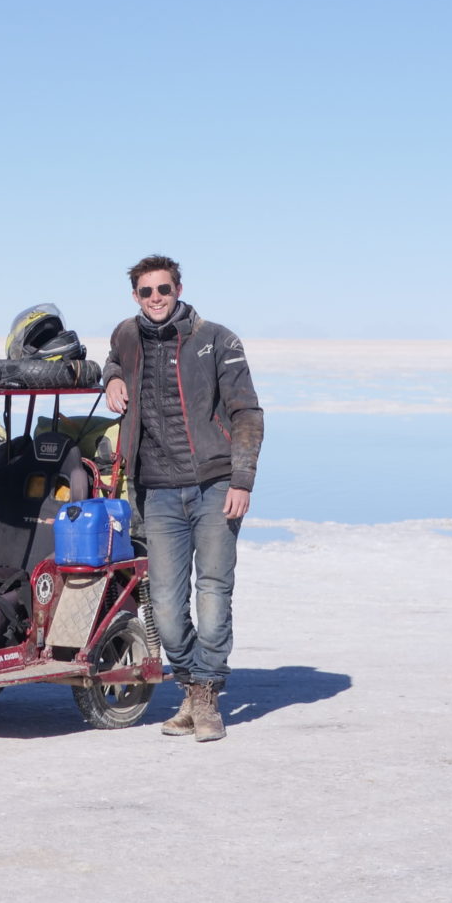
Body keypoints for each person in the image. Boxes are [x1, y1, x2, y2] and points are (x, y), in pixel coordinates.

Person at [103, 255, 263, 742]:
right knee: (168, 608)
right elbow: (113, 360)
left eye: (164, 289)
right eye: (147, 291)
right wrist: (110, 377)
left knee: (213, 593)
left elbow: (247, 413)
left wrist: (242, 479)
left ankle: (207, 694)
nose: (156, 299)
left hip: (214, 486)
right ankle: (192, 687)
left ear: (179, 289)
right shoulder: (126, 335)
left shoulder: (216, 339)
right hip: (157, 492)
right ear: (135, 296)